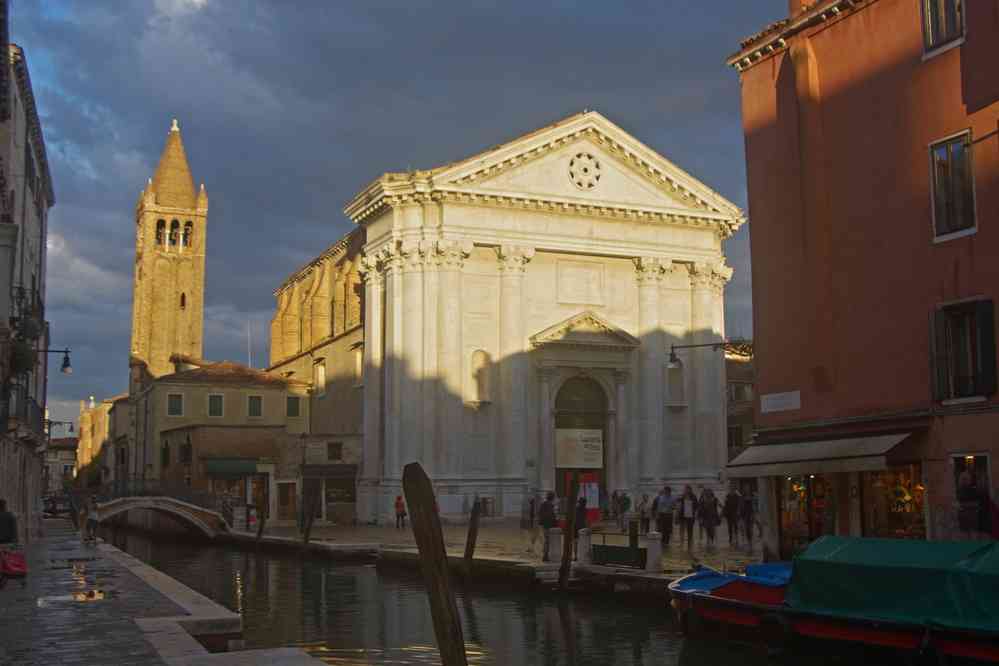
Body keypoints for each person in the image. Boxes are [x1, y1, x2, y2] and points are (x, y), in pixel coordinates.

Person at [539, 492, 557, 562]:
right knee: (548, 541)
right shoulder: (550, 505)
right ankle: (545, 555)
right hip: (549, 525)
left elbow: (540, 513)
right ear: (552, 498)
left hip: (544, 525)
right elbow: (551, 516)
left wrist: (541, 523)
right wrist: (555, 523)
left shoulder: (543, 504)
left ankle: (545, 554)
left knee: (546, 540)